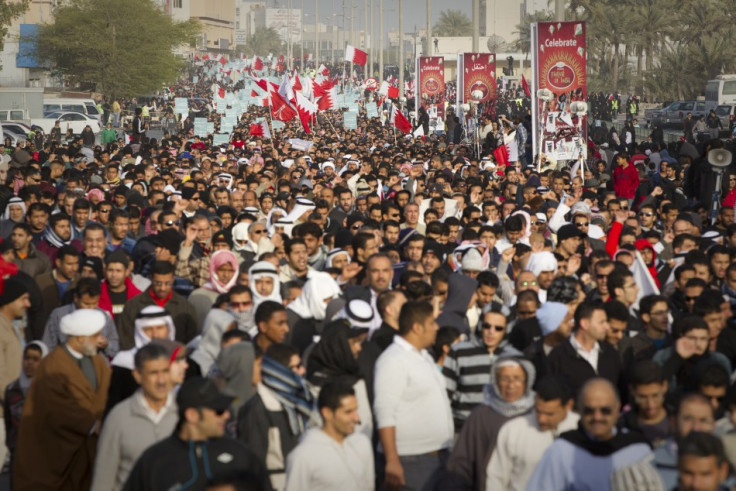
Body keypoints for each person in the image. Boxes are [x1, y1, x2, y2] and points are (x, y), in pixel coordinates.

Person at [13, 309, 112, 490]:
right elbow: (57, 407)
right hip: (60, 449)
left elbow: (103, 391)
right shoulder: (53, 365)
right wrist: (91, 424)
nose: (100, 339)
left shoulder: (96, 361)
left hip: (88, 449)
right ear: (80, 338)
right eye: (95, 335)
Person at [123, 377, 269, 490]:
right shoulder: (155, 461)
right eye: (218, 411)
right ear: (192, 415)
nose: (226, 415)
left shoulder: (241, 456)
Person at [373, 300, 454, 491]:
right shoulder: (393, 360)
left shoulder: (423, 355)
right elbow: (385, 412)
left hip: (437, 457)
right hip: (411, 460)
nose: (436, 328)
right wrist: (392, 461)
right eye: (432, 323)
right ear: (417, 328)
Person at [526, 378, 654, 490]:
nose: (597, 417)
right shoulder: (561, 451)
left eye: (605, 410)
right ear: (579, 410)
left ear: (617, 409)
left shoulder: (638, 450)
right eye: (589, 411)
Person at [91, 344, 178, 491]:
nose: (162, 381)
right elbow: (103, 478)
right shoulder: (119, 417)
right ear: (138, 376)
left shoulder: (183, 413)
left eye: (165, 371)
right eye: (153, 373)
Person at [444, 356, 537, 491]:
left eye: (517, 378)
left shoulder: (536, 413)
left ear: (527, 382)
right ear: (495, 381)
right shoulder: (481, 415)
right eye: (504, 379)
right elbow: (461, 462)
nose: (511, 385)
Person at [237, 343, 316, 490]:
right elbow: (254, 464)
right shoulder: (257, 409)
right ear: (281, 372)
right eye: (297, 366)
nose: (303, 370)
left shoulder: (304, 400)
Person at [485, 375, 579, 491]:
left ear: (568, 406)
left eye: (550, 414)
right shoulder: (514, 430)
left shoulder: (584, 431)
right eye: (538, 411)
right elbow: (496, 478)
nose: (542, 419)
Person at [284, 382, 374, 491]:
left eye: (356, 410)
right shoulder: (302, 457)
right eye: (348, 412)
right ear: (327, 413)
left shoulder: (362, 443)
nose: (357, 418)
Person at [443, 304, 520, 429]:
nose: (491, 331)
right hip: (463, 427)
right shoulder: (459, 352)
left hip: (500, 429)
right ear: (480, 325)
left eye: (498, 328)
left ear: (507, 329)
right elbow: (445, 394)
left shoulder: (514, 357)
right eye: (487, 326)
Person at [118, 260, 199, 349]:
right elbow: (125, 340)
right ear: (150, 279)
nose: (162, 288)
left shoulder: (185, 307)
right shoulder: (133, 305)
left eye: (167, 283)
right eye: (158, 283)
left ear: (173, 279)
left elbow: (192, 341)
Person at [546, 303, 621, 397]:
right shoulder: (558, 356)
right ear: (584, 324)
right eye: (601, 322)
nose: (607, 327)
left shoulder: (610, 353)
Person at [2, 341, 47, 465]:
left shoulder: (48, 390)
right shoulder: (12, 390)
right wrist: (11, 444)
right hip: (18, 451)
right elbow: (8, 422)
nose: (30, 363)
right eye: (27, 358)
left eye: (35, 359)